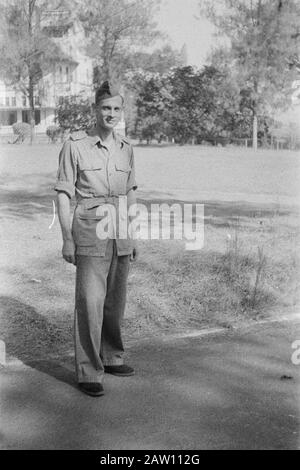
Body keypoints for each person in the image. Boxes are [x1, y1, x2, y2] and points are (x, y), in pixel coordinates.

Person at [54, 81, 138, 397]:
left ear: (121, 111)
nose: (111, 113)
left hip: (120, 231)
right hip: (89, 227)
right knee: (90, 302)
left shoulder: (126, 147)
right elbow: (63, 194)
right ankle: (89, 371)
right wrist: (67, 239)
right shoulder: (75, 145)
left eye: (116, 108)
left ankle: (112, 356)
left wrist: (132, 232)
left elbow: (129, 191)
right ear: (95, 109)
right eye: (105, 108)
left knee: (115, 301)